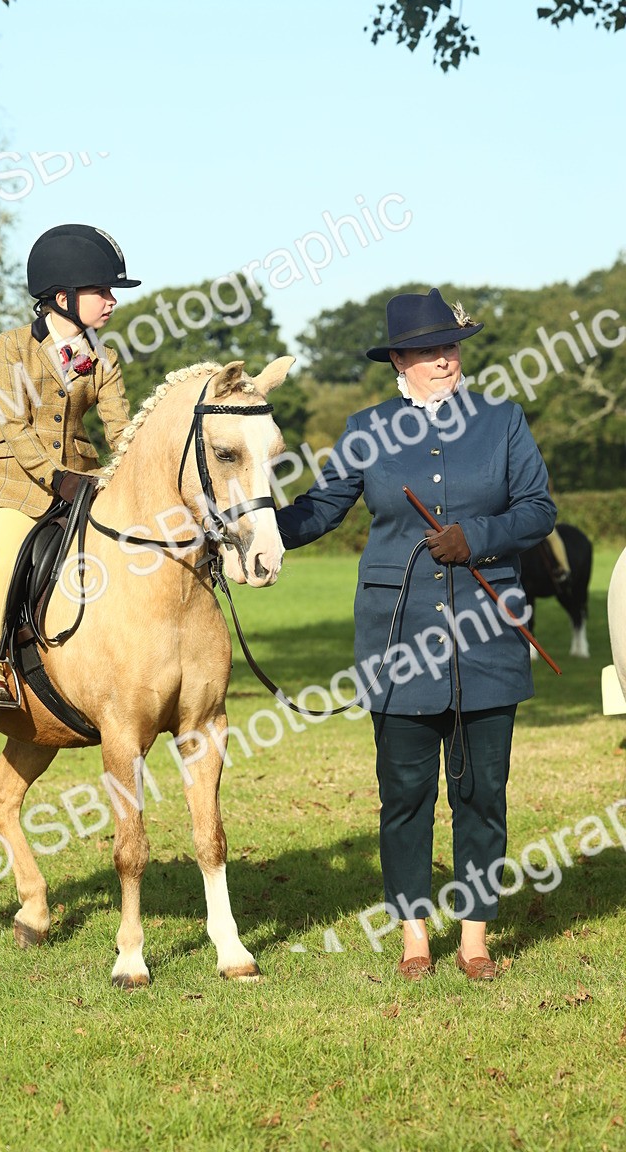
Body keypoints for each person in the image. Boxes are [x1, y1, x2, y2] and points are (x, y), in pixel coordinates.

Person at [276, 288, 556, 981]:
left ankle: (476, 938)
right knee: (405, 794)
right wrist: (252, 531)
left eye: (451, 346)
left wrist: (480, 537)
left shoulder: (503, 422)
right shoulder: (366, 429)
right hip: (396, 637)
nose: (445, 359)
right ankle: (413, 939)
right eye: (429, 350)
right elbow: (320, 509)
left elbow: (539, 508)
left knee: (482, 793)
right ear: (398, 359)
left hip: (488, 635)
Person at [0, 224, 140, 709]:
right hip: (21, 483)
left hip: (84, 483)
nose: (111, 301)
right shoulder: (13, 347)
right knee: (4, 562)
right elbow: (15, 425)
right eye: (101, 291)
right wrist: (55, 477)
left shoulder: (103, 359)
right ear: (62, 296)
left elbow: (120, 428)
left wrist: (124, 472)